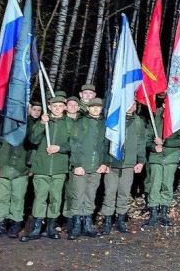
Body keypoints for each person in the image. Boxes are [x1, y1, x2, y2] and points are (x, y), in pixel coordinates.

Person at [21, 96, 71, 242]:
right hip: (42, 167)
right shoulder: (41, 121)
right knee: (40, 198)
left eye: (60, 106)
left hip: (59, 168)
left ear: (65, 108)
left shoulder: (69, 124)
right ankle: (36, 229)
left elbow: (75, 144)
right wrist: (42, 124)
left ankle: (50, 227)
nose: (57, 108)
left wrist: (59, 148)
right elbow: (33, 140)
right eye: (54, 106)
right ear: (49, 107)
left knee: (56, 198)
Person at [100, 102, 146, 234]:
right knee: (109, 192)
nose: (130, 107)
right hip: (112, 162)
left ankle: (121, 220)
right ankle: (107, 220)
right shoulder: (114, 119)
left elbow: (141, 142)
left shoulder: (138, 122)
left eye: (133, 105)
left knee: (124, 193)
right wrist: (104, 161)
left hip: (128, 163)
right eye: (128, 103)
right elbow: (105, 142)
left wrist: (141, 161)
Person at [68, 98, 109, 240]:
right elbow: (74, 144)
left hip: (97, 166)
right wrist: (77, 164)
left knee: (91, 195)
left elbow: (106, 145)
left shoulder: (104, 124)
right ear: (88, 108)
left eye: (98, 107)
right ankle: (76, 226)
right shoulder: (80, 123)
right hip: (82, 166)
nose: (96, 109)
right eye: (93, 107)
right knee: (78, 195)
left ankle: (87, 225)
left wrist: (104, 163)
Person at [144, 97, 180, 227]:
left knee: (167, 184)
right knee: (154, 184)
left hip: (171, 157)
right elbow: (147, 138)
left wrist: (165, 142)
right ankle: (153, 213)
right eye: (167, 103)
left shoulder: (177, 120)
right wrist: (153, 147)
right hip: (156, 157)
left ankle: (164, 213)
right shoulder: (154, 118)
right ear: (163, 105)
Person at [0, 128, 29, 238]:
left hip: (20, 170)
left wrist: (30, 165)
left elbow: (32, 147)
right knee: (2, 197)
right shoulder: (1, 127)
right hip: (3, 169)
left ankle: (15, 224)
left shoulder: (25, 126)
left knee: (18, 198)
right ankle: (0, 224)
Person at [62, 96, 81, 230]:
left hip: (77, 161)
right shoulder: (61, 121)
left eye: (75, 105)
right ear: (65, 107)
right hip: (62, 159)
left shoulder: (82, 122)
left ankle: (72, 218)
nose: (73, 107)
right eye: (70, 105)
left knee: (74, 190)